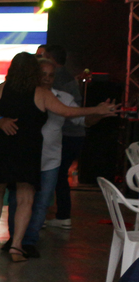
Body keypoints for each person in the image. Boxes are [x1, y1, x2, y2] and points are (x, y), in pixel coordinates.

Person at [0, 52, 114, 262]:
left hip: (3, 146)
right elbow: (67, 112)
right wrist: (96, 109)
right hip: (28, 149)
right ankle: (16, 246)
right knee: (26, 197)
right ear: (34, 71)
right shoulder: (40, 93)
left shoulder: (3, 88)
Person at [4, 58, 94, 258]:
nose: (46, 78)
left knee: (42, 203)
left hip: (49, 160)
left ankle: (28, 242)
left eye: (51, 75)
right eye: (42, 74)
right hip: (23, 158)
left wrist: (99, 113)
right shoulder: (20, 95)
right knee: (16, 201)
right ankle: (14, 239)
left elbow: (81, 119)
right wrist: (1, 120)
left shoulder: (63, 97)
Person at [46, 44, 82, 229]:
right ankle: (59, 215)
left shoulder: (58, 80)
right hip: (72, 133)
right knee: (57, 175)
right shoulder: (66, 76)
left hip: (67, 134)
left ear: (51, 59)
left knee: (56, 175)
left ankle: (61, 215)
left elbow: (64, 110)